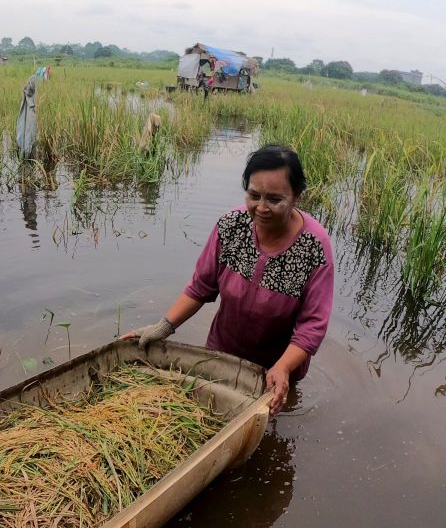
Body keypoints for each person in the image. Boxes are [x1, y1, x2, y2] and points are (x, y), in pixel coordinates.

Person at [124, 145, 334, 415]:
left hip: (276, 366)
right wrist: (164, 326)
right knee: (208, 415)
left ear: (296, 197)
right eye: (254, 195)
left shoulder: (314, 247)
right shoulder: (231, 226)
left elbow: (312, 326)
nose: (261, 208)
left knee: (263, 426)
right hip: (221, 353)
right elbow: (201, 287)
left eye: (274, 199)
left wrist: (282, 367)